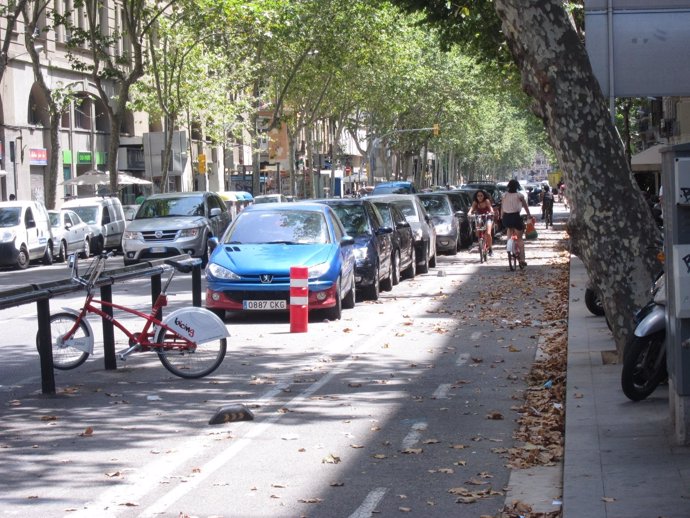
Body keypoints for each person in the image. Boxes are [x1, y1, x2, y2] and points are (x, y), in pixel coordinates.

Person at [501, 179, 534, 268]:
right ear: (517, 186)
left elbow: (502, 208)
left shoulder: (504, 195)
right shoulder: (519, 195)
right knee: (519, 238)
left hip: (506, 218)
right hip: (516, 217)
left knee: (509, 229)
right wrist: (529, 215)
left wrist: (501, 217)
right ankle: (522, 259)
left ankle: (509, 243)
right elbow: (525, 206)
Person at [467, 189, 495, 254]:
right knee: (477, 231)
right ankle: (480, 242)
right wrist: (469, 213)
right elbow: (471, 209)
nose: (479, 197)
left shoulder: (486, 201)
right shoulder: (475, 202)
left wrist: (492, 212)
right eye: (478, 196)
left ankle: (490, 249)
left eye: (481, 196)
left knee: (488, 233)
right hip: (479, 218)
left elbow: (490, 208)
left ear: (484, 196)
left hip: (487, 217)